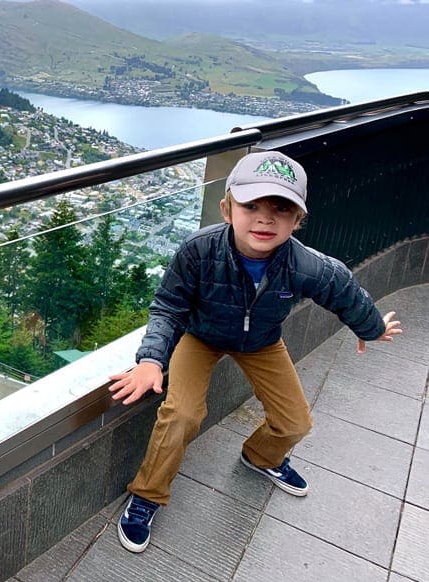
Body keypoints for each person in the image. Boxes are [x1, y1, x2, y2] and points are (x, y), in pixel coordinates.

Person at [108, 150, 402, 553]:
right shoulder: (198, 250)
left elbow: (345, 292)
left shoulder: (309, 266)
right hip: (201, 335)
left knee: (296, 422)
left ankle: (261, 457)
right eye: (251, 206)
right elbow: (169, 307)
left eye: (281, 209)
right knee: (182, 414)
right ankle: (147, 494)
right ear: (227, 209)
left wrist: (371, 327)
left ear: (298, 220)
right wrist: (151, 360)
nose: (265, 218)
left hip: (261, 341)